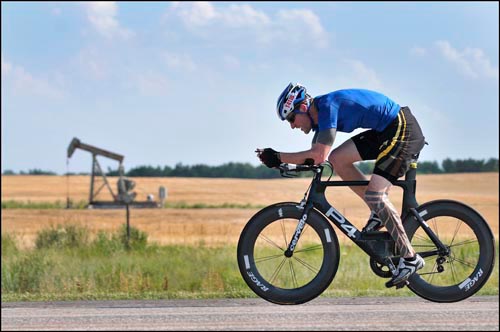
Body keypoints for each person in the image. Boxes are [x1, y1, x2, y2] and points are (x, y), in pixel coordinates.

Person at [257, 83, 426, 287]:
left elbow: (318, 156)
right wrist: (283, 163)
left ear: (303, 107)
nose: (292, 125)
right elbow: (316, 159)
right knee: (338, 159)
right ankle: (377, 212)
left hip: (401, 128)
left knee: (376, 195)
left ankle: (410, 258)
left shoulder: (327, 107)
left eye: (291, 118)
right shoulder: (319, 119)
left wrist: (277, 156)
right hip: (385, 130)